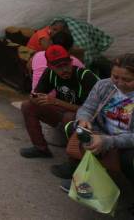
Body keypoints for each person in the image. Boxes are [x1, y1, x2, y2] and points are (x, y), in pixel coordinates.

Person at [51, 54, 134, 189]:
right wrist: (83, 119)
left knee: (128, 158)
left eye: (127, 79)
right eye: (115, 77)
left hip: (125, 140)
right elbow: (87, 108)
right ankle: (81, 175)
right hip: (100, 131)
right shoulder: (104, 85)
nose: (119, 83)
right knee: (73, 126)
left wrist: (107, 140)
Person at [19, 45, 99, 158]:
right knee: (28, 106)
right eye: (58, 67)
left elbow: (89, 111)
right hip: (64, 113)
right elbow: (35, 94)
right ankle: (40, 148)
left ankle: (73, 160)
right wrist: (35, 97)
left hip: (90, 120)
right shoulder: (50, 73)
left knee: (69, 116)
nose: (64, 70)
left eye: (66, 65)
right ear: (50, 66)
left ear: (71, 62)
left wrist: (56, 102)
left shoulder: (85, 76)